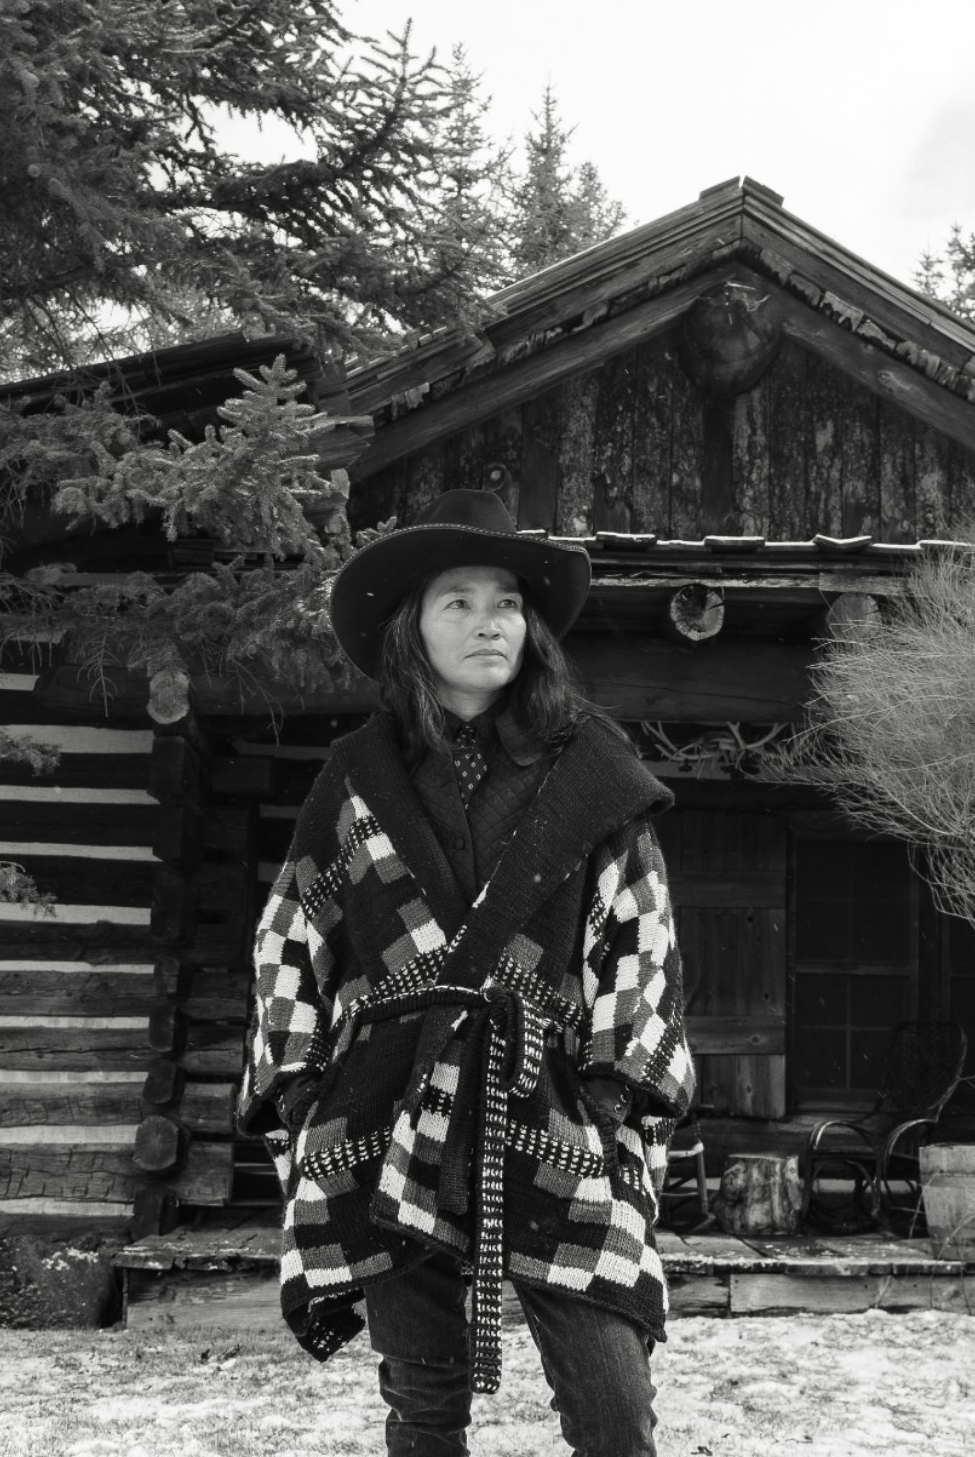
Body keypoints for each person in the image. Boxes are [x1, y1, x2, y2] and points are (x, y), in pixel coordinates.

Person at [240, 488, 694, 1457]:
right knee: (425, 1399)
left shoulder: (596, 770)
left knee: (613, 1395)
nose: (491, 620)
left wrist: (612, 1094)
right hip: (389, 1104)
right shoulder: (358, 775)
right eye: (460, 601)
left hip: (555, 1100)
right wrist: (301, 1085)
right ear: (413, 627)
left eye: (508, 601)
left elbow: (641, 936)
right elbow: (292, 931)